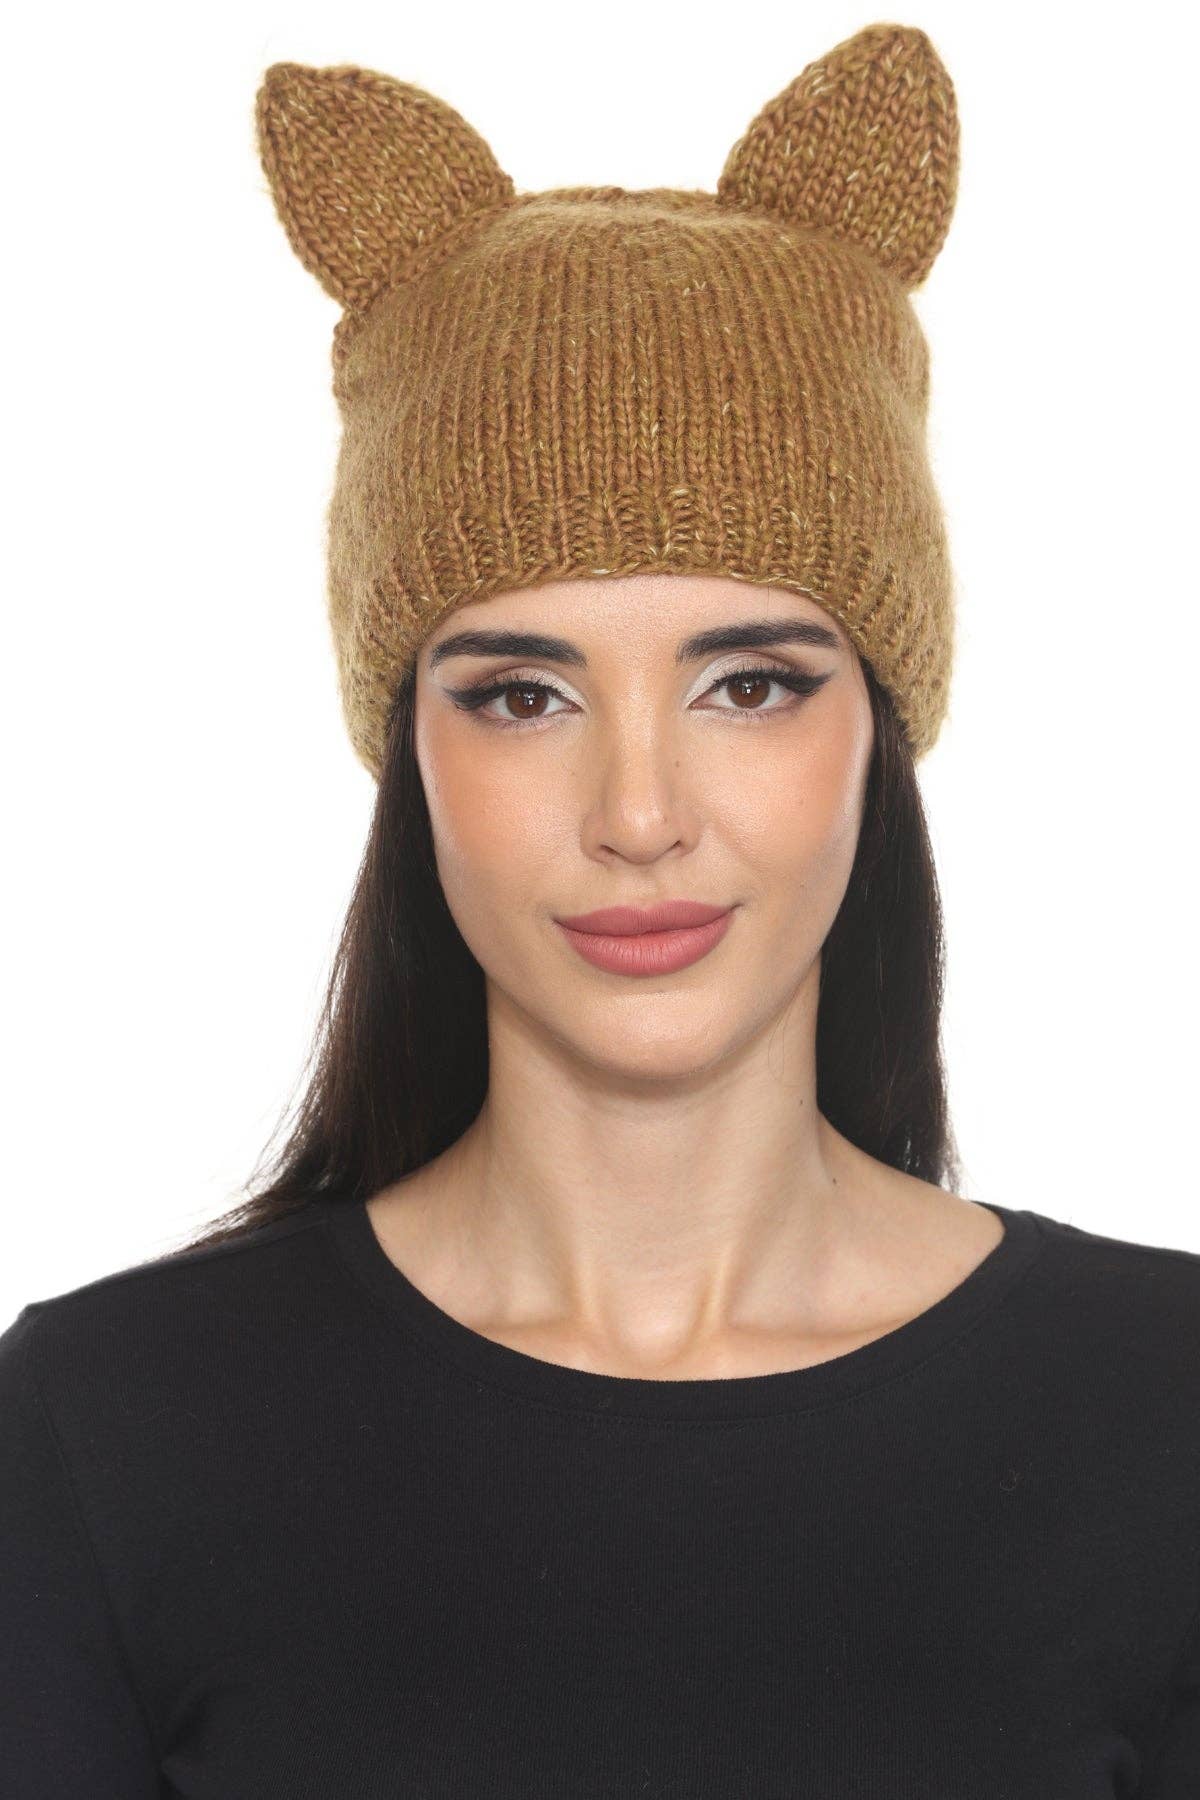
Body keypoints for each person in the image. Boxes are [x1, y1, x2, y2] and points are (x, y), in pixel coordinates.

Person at [2, 23, 1197, 1797]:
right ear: (410, 751)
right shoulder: (105, 1429)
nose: (640, 815)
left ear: (880, 730)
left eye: (751, 684)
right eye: (522, 694)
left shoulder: (1166, 1412)